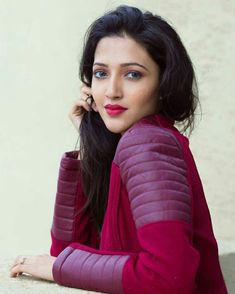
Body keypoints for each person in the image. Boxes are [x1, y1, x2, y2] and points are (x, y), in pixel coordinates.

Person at [10, 5, 228, 294]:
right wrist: (88, 142)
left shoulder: (147, 143)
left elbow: (167, 276)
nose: (111, 90)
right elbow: (69, 252)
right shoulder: (135, 144)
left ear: (163, 83)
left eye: (133, 75)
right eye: (101, 73)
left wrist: (54, 268)